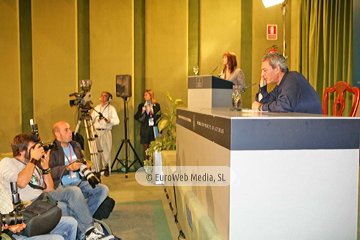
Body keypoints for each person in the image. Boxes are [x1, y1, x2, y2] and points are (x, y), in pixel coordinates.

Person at [0, 133, 114, 240]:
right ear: (21, 150)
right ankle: (86, 227)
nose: (36, 151)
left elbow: (49, 189)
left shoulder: (33, 165)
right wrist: (33, 159)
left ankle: (88, 230)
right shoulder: (8, 162)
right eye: (32, 148)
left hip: (43, 198)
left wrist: (45, 168)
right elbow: (21, 182)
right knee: (67, 207)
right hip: (29, 203)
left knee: (74, 191)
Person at [49, 121, 111, 216]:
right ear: (57, 134)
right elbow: (50, 172)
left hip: (80, 183)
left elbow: (82, 163)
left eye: (70, 129)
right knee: (75, 190)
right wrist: (68, 168)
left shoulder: (75, 145)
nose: (70, 132)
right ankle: (85, 219)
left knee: (103, 189)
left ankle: (84, 217)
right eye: (66, 130)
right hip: (63, 186)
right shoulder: (52, 150)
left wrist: (86, 165)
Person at [0, 182, 77, 240]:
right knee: (57, 238)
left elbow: (6, 205)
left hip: (17, 217)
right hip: (8, 233)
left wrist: (22, 207)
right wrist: (7, 225)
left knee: (71, 223)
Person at [251, 52, 322, 114]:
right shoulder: (280, 85)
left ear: (277, 69)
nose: (262, 75)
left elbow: (284, 106)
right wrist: (263, 88)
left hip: (310, 125)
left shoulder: (292, 79)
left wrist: (261, 107)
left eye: (265, 70)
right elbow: (265, 103)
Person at [91, 92, 120, 176]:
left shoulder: (111, 108)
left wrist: (110, 120)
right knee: (94, 151)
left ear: (109, 98)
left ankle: (106, 169)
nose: (103, 97)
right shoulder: (96, 108)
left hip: (105, 131)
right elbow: (92, 119)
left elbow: (117, 121)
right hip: (96, 131)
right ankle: (94, 169)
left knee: (105, 151)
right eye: (102, 96)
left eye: (105, 96)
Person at [134, 90, 161, 160]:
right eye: (144, 95)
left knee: (154, 147)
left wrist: (160, 131)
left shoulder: (156, 106)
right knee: (146, 147)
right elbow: (137, 117)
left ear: (151, 96)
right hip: (145, 128)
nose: (145, 96)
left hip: (153, 128)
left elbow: (159, 118)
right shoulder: (141, 105)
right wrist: (142, 112)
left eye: (146, 95)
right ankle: (147, 165)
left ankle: (153, 164)